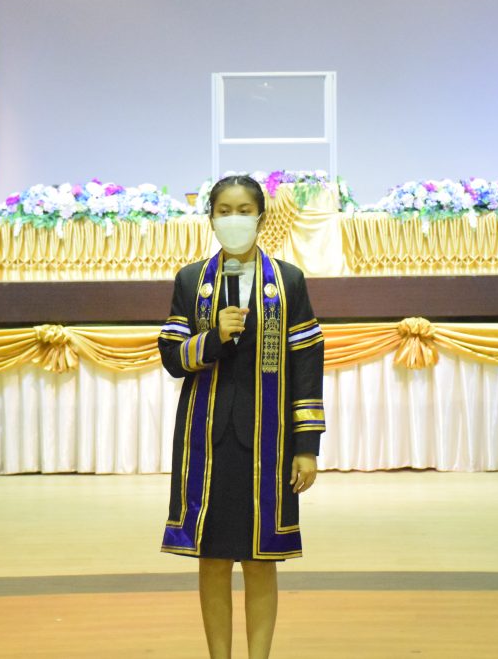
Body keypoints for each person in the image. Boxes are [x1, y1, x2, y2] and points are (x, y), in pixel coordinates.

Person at [158, 174, 325, 659]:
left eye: (244, 210)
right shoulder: (191, 280)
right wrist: (213, 337)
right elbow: (171, 357)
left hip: (270, 443)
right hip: (206, 441)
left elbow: (307, 365)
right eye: (224, 210)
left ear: (261, 218)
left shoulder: (288, 281)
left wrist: (307, 447)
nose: (234, 219)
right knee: (211, 559)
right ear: (211, 218)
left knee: (260, 560)